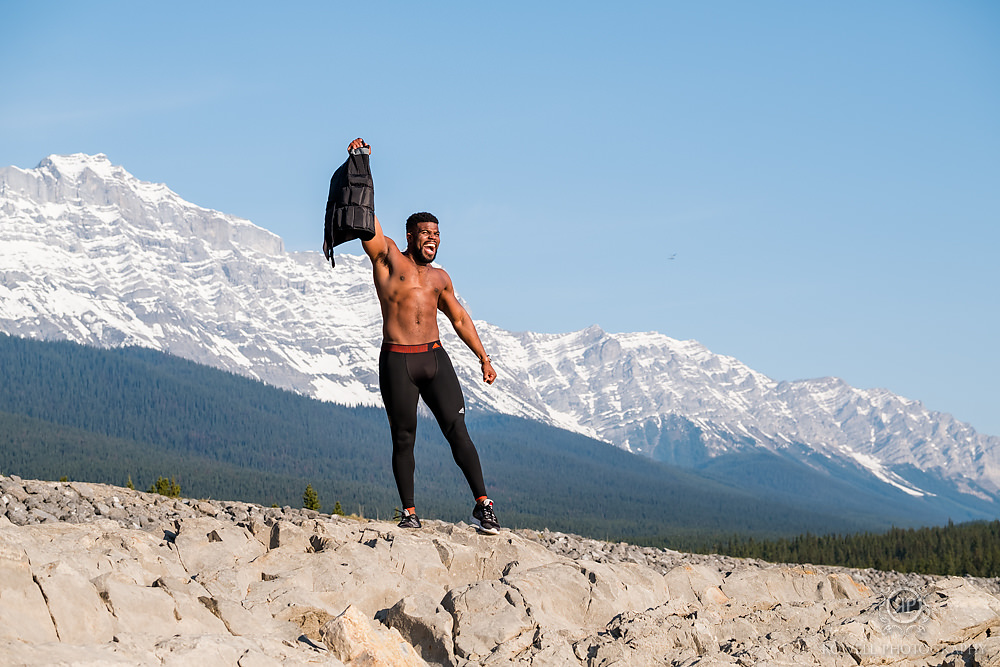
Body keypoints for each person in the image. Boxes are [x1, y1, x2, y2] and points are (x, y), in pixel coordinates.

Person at [349, 137, 501, 535]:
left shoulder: (440, 278)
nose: (432, 238)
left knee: (458, 431)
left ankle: (484, 505)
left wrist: (483, 357)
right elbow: (366, 219)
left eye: (437, 233)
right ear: (410, 235)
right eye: (425, 233)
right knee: (404, 438)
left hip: (434, 358)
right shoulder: (389, 260)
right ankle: (409, 512)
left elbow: (460, 319)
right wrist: (360, 165)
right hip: (398, 360)